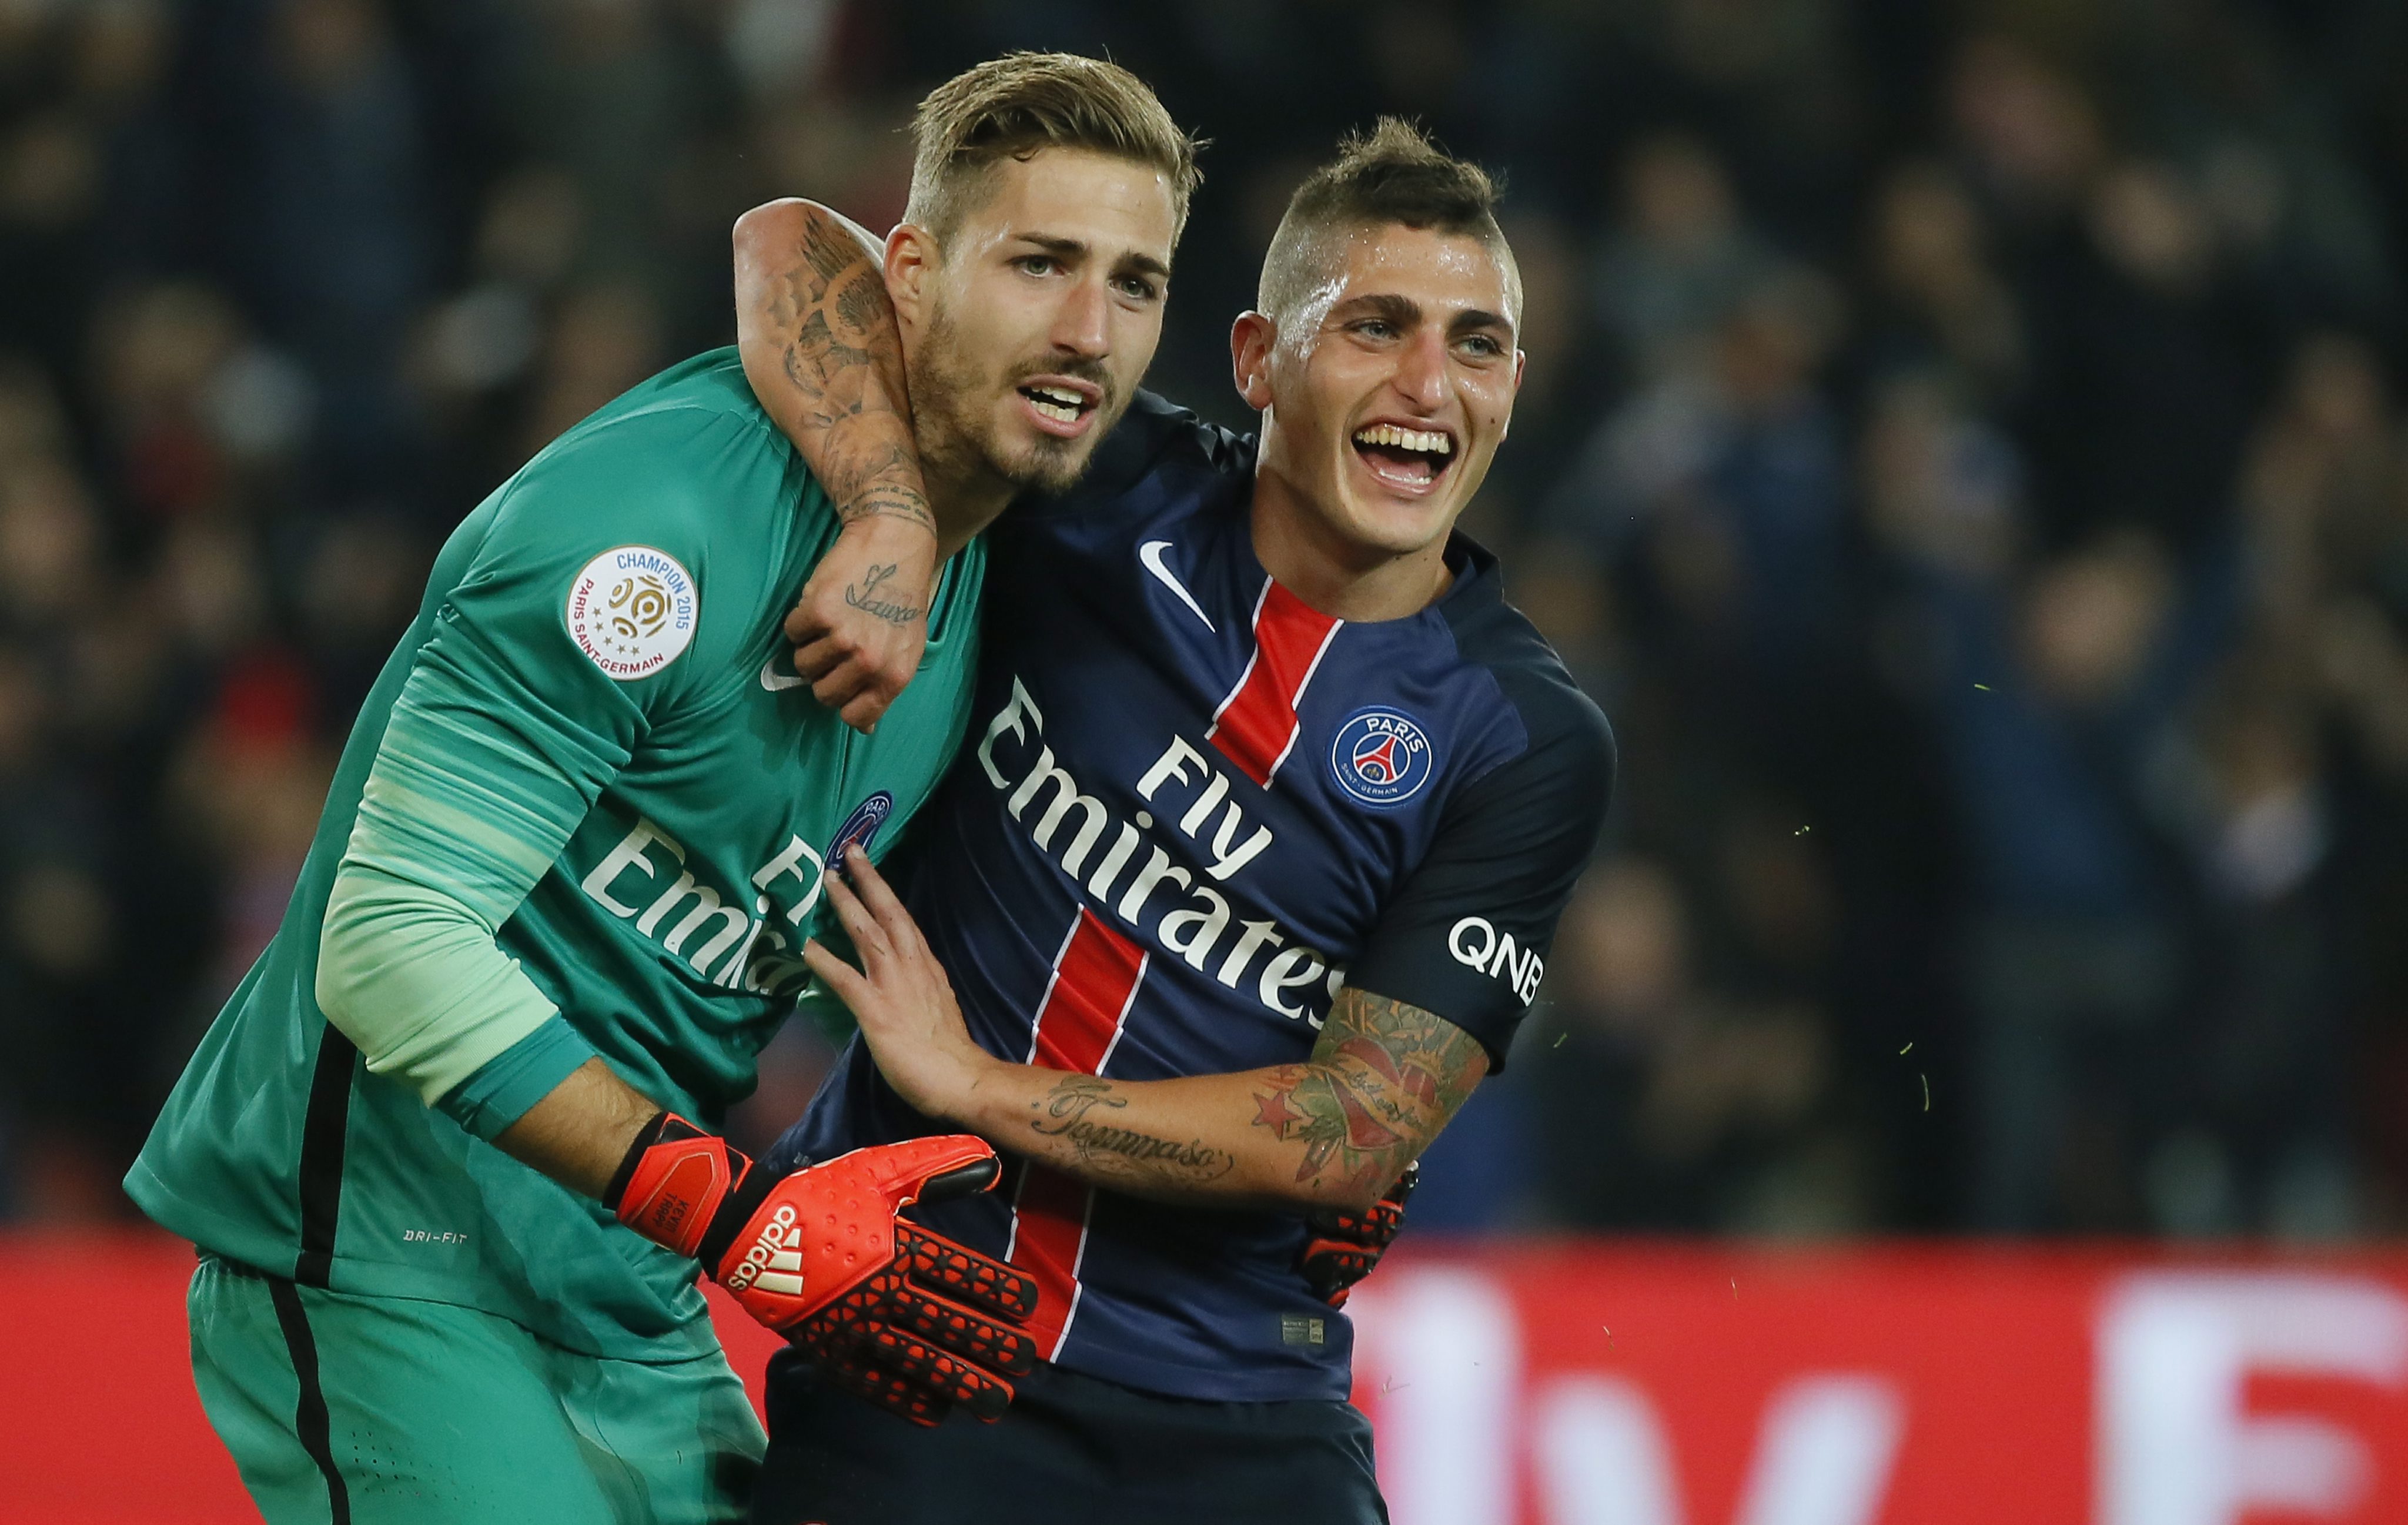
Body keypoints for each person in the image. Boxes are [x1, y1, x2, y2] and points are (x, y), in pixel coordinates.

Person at [122, 53, 1200, 1525]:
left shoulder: (1011, 571)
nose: (1088, 328)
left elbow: (789, 243)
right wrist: (729, 1203)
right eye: (1038, 263)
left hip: (625, 1290)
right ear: (914, 273)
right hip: (384, 1254)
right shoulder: (657, 525)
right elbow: (386, 940)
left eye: (1134, 284)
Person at [734, 119, 1614, 1525]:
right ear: (1259, 357)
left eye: (1477, 343)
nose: (1427, 384)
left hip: (1242, 1412)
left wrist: (975, 1084)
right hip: (929, 1342)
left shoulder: (1523, 739)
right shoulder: (1098, 487)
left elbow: (1346, 1136)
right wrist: (893, 514)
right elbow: (791, 247)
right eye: (1374, 326)